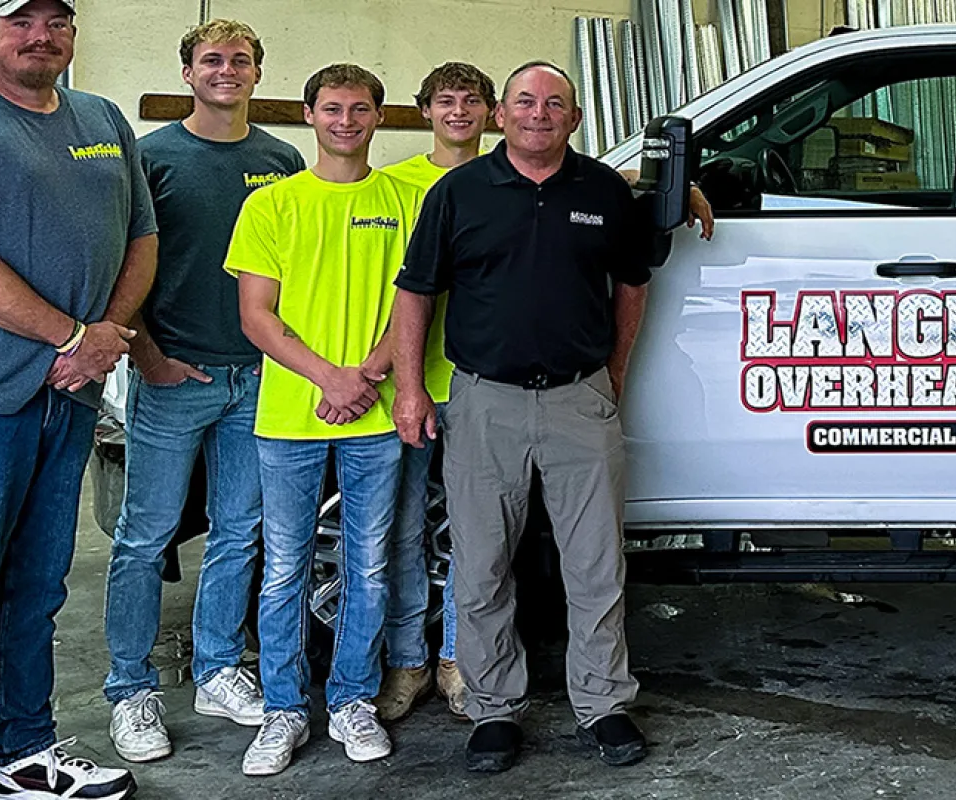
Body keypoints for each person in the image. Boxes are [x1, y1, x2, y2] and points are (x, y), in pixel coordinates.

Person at [390, 60, 698, 774]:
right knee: (483, 566)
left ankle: (604, 704)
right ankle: (494, 709)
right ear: (502, 115)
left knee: (595, 567)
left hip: (577, 400)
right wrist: (411, 389)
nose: (538, 113)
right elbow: (416, 294)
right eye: (525, 101)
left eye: (553, 103)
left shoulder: (602, 190)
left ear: (576, 118)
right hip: (483, 402)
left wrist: (614, 374)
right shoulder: (459, 192)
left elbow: (632, 284)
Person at [0, 0, 154, 797]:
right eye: (19, 20)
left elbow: (141, 237)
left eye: (57, 19)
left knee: (38, 584)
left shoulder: (101, 118)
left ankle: (23, 754)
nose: (41, 34)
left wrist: (103, 337)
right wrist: (71, 337)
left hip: (70, 393)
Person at [101, 18, 303, 763]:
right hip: (174, 377)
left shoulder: (280, 159)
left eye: (240, 60)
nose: (227, 71)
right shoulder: (152, 158)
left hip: (255, 378)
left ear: (257, 72)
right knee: (145, 538)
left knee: (240, 531)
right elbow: (125, 263)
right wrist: (146, 356)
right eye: (211, 60)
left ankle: (218, 668)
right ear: (187, 71)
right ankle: (130, 689)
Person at [227, 62, 424, 777]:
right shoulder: (273, 206)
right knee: (282, 568)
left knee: (368, 566)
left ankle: (351, 701)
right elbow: (257, 314)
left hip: (370, 414)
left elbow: (417, 305)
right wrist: (330, 379)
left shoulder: (405, 200)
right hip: (291, 414)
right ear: (307, 115)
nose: (347, 121)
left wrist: (367, 376)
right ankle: (283, 709)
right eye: (333, 109)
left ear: (379, 117)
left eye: (361, 109)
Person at [375, 60, 497, 723]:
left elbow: (586, 182)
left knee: (475, 533)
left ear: (491, 112)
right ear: (423, 110)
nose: (458, 112)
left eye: (471, 101)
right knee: (404, 528)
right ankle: (407, 661)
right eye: (445, 101)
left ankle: (455, 658)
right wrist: (396, 377)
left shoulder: (507, 179)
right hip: (411, 383)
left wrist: (670, 188)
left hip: (479, 385)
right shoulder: (394, 188)